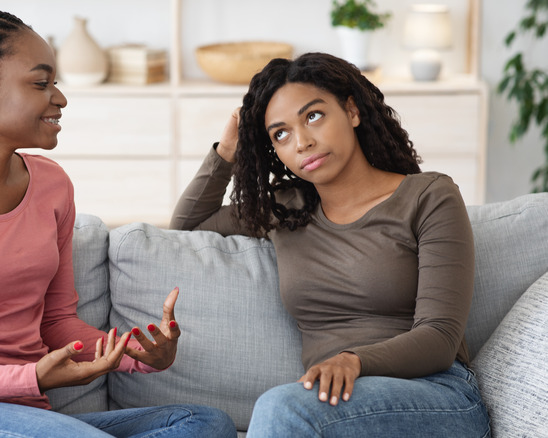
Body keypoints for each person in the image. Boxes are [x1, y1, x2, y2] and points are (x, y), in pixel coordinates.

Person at [0, 8, 236, 438]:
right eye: (41, 83)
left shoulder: (52, 185)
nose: (59, 97)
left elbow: (56, 322)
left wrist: (138, 353)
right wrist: (30, 378)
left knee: (203, 424)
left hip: (32, 418)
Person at [170, 53, 491, 437]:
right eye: (281, 134)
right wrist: (226, 153)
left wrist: (352, 360)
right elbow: (185, 229)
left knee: (281, 406)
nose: (302, 142)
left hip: (436, 395)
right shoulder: (286, 208)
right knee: (288, 407)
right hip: (333, 404)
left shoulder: (429, 196)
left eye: (313, 116)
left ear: (352, 110)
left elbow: (440, 337)